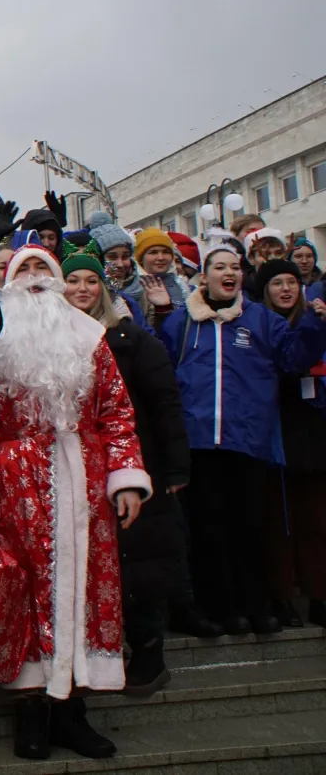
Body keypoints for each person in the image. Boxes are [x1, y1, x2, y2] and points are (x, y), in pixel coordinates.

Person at [0, 245, 151, 761]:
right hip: (15, 482)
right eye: (26, 270)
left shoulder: (92, 340)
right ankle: (30, 713)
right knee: (24, 590)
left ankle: (73, 710)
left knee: (84, 588)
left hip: (83, 481)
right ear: (10, 282)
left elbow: (117, 413)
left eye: (45, 268)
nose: (36, 278)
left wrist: (126, 479)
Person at [158, 247, 326, 635]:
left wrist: (315, 328)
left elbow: (294, 359)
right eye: (220, 267)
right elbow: (164, 374)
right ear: (205, 276)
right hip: (199, 443)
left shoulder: (262, 319)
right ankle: (219, 608)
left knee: (250, 527)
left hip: (248, 440)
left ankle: (256, 605)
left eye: (235, 267)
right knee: (208, 530)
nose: (228, 272)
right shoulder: (182, 323)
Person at [61, 252, 190, 696]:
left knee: (141, 565)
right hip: (80, 472)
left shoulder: (133, 340)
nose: (82, 289)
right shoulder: (55, 341)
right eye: (72, 280)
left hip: (137, 466)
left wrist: (173, 467)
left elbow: (165, 405)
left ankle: (150, 651)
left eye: (90, 281)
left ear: (104, 288)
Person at [255, 260, 326, 629]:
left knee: (317, 521)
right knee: (278, 523)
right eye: (277, 283)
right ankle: (282, 596)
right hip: (274, 433)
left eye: (292, 282)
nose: (286, 289)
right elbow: (289, 362)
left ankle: (319, 596)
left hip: (313, 431)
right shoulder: (260, 325)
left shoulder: (314, 319)